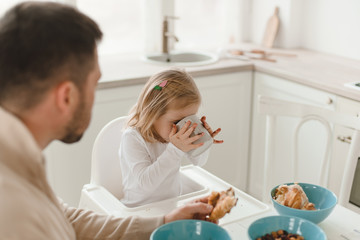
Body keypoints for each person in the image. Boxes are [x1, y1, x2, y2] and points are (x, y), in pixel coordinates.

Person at [0, 2, 215, 239]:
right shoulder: (13, 210)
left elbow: (65, 218)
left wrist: (163, 222)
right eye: (94, 83)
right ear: (67, 97)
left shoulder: (19, 158)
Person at [119, 69, 223, 207]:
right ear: (152, 114)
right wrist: (175, 150)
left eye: (190, 119)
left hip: (171, 206)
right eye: (177, 122)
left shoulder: (171, 137)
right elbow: (145, 184)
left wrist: (203, 141)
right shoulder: (132, 137)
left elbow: (199, 162)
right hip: (138, 210)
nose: (184, 127)